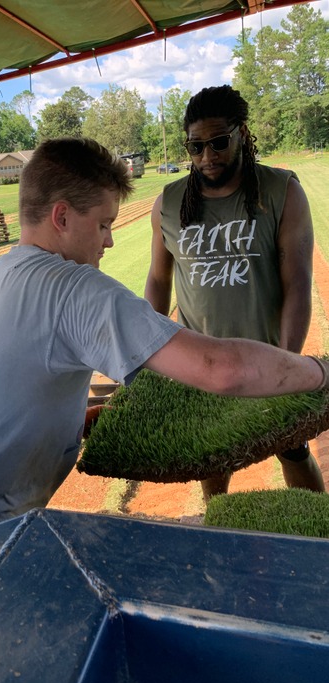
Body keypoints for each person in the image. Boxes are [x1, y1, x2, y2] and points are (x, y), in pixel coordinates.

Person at [0, 136, 328, 556]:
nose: (109, 240)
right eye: (102, 224)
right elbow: (219, 367)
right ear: (61, 217)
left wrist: (73, 422)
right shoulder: (73, 290)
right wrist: (320, 372)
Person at [144, 85, 325, 502]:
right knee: (213, 459)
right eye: (196, 147)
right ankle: (219, 540)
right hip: (201, 364)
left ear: (242, 133)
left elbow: (298, 283)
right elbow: (157, 280)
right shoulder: (169, 204)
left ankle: (321, 539)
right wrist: (148, 354)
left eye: (219, 142)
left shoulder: (281, 192)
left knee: (293, 450)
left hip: (266, 357)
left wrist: (287, 363)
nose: (207, 157)